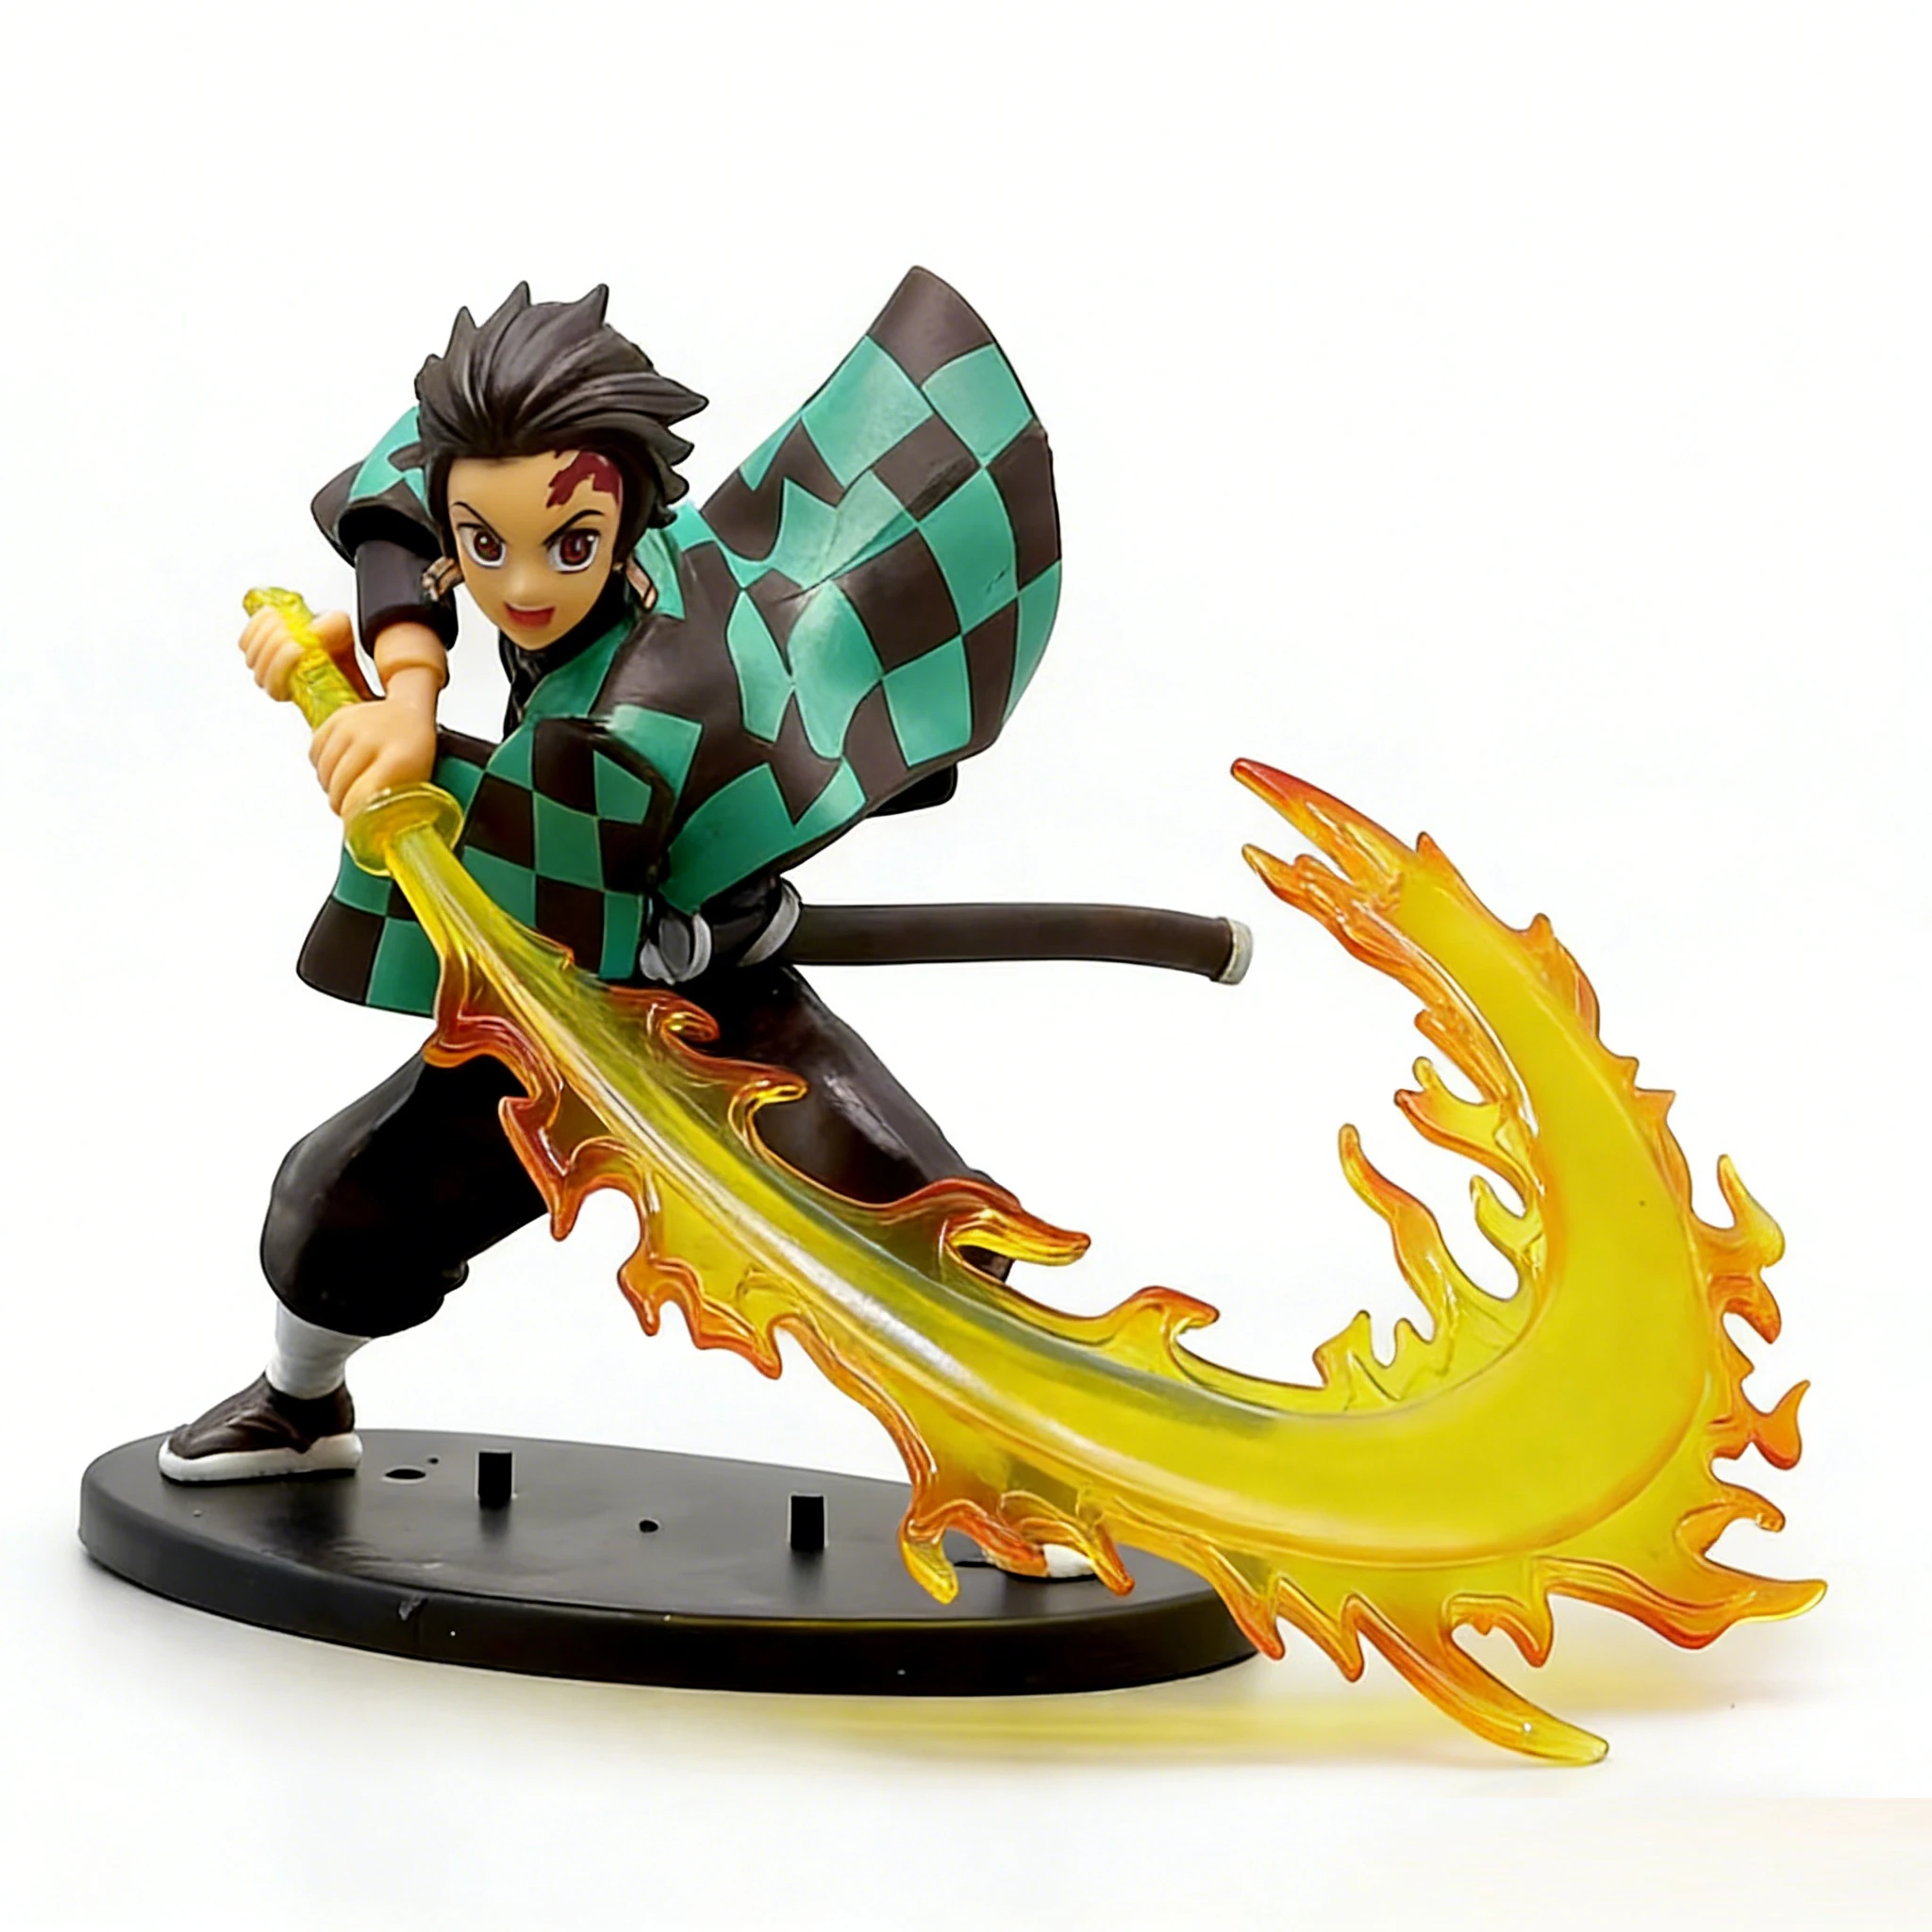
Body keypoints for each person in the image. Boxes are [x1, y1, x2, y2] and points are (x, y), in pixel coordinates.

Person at [161, 269, 1065, 1482]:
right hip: (561, 995)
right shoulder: (543, 523)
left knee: (902, 1205)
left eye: (569, 545)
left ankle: (1024, 1448)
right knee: (341, 1201)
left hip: (702, 996)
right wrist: (401, 669)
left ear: (631, 517)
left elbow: (504, 850)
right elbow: (405, 486)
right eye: (485, 547)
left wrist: (381, 728)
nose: (522, 588)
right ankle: (300, 1402)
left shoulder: (653, 700)